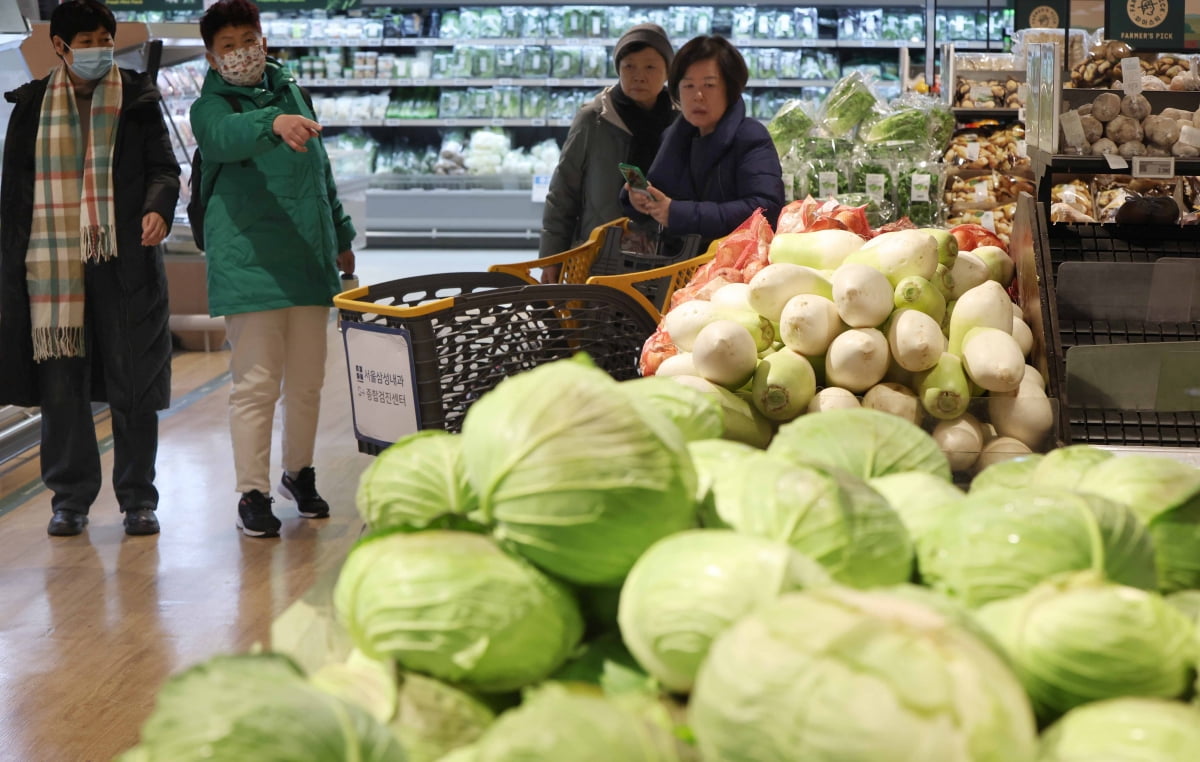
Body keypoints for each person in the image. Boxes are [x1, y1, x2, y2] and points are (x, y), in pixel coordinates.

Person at [0, 0, 180, 537]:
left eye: (106, 38)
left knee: (133, 382)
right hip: (52, 268)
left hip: (124, 262)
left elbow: (164, 170)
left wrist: (157, 207)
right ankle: (70, 498)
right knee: (62, 385)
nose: (100, 49)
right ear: (60, 46)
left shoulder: (138, 98)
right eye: (89, 40)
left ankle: (137, 498)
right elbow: (15, 197)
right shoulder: (30, 107)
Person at [191, 0, 356, 538]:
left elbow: (320, 171)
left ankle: (298, 474)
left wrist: (342, 235)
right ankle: (252, 493)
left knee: (308, 383)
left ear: (263, 39)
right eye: (227, 45)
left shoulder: (293, 90)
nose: (240, 52)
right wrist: (273, 122)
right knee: (257, 385)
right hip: (249, 263)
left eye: (247, 38)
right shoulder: (209, 108)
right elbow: (224, 138)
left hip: (308, 256)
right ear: (213, 58)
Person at [538, 23, 676, 281]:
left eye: (650, 67)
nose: (639, 75)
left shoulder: (681, 120)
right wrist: (551, 258)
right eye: (629, 66)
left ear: (667, 71)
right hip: (599, 258)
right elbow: (563, 192)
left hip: (668, 259)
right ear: (618, 69)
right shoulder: (594, 119)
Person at [623, 35, 785, 250]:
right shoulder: (673, 136)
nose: (697, 95)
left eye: (709, 85)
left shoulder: (750, 136)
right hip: (676, 264)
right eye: (688, 86)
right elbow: (659, 191)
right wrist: (640, 200)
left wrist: (677, 213)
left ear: (730, 89)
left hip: (734, 264)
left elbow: (765, 209)